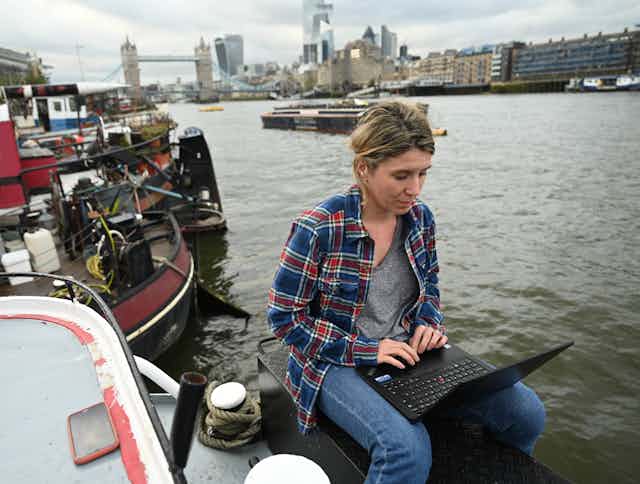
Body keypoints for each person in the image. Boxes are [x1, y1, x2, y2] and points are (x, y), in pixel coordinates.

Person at [267, 101, 545, 484]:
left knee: (527, 411)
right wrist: (370, 349)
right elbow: (285, 320)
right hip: (335, 361)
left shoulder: (420, 219)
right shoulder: (317, 229)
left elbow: (429, 286)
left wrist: (429, 322)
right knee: (405, 451)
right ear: (364, 168)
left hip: (409, 352)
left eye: (422, 174)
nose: (414, 189)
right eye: (401, 176)